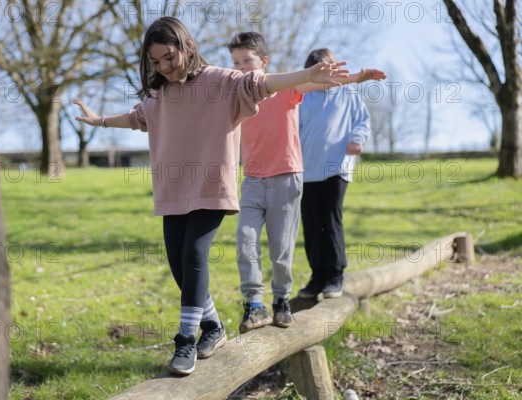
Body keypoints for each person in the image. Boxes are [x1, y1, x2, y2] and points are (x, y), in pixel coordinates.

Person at [74, 17, 349, 376]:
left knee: (193, 252)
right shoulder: (161, 92)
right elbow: (139, 117)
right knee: (178, 264)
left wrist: (306, 75)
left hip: (211, 188)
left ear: (187, 47)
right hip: (173, 191)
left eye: (168, 58)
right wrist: (101, 122)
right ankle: (213, 326)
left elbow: (263, 83)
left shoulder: (221, 81)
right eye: (155, 62)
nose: (163, 68)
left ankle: (186, 339)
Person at [228, 33, 386, 334]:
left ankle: (286, 297)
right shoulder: (237, 93)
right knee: (246, 240)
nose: (242, 67)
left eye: (247, 60)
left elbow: (316, 84)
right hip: (258, 179)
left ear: (263, 62)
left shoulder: (286, 87)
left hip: (292, 176)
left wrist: (355, 78)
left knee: (285, 247)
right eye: (236, 62)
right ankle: (254, 302)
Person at [297, 48, 377, 300]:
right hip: (306, 170)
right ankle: (317, 275)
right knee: (311, 223)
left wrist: (356, 139)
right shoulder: (303, 98)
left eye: (327, 68)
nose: (324, 74)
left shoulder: (347, 93)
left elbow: (362, 120)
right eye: (317, 70)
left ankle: (335, 274)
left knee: (330, 220)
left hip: (336, 166)